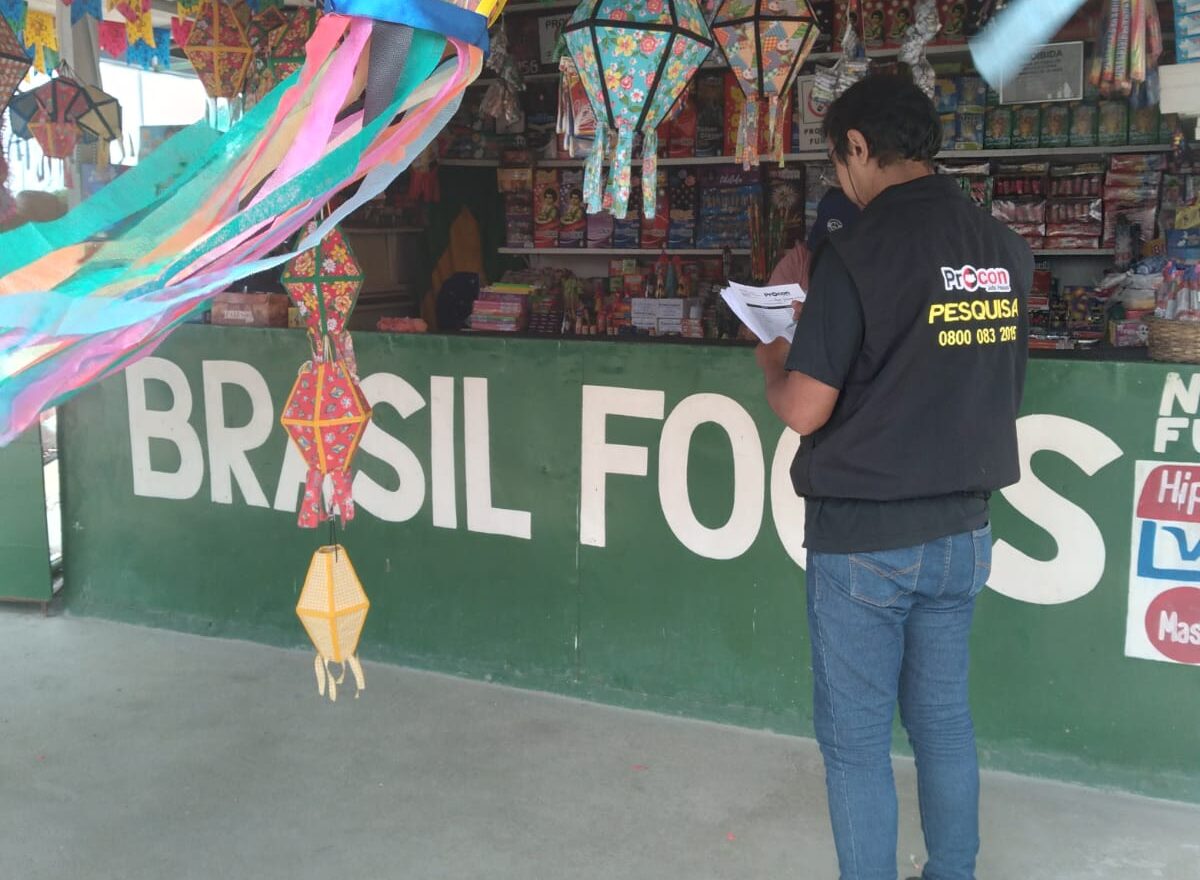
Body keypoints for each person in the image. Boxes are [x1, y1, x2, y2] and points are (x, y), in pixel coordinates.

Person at [755, 74, 1031, 880]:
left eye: (839, 162)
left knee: (856, 744)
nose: (842, 180)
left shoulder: (856, 253)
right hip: (963, 533)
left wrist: (772, 345)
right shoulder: (1003, 249)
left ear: (859, 146)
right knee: (943, 724)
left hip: (866, 540)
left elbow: (804, 409)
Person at [768, 187, 860, 289]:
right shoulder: (798, 262)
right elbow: (773, 294)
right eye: (823, 249)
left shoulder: (869, 270)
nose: (829, 257)